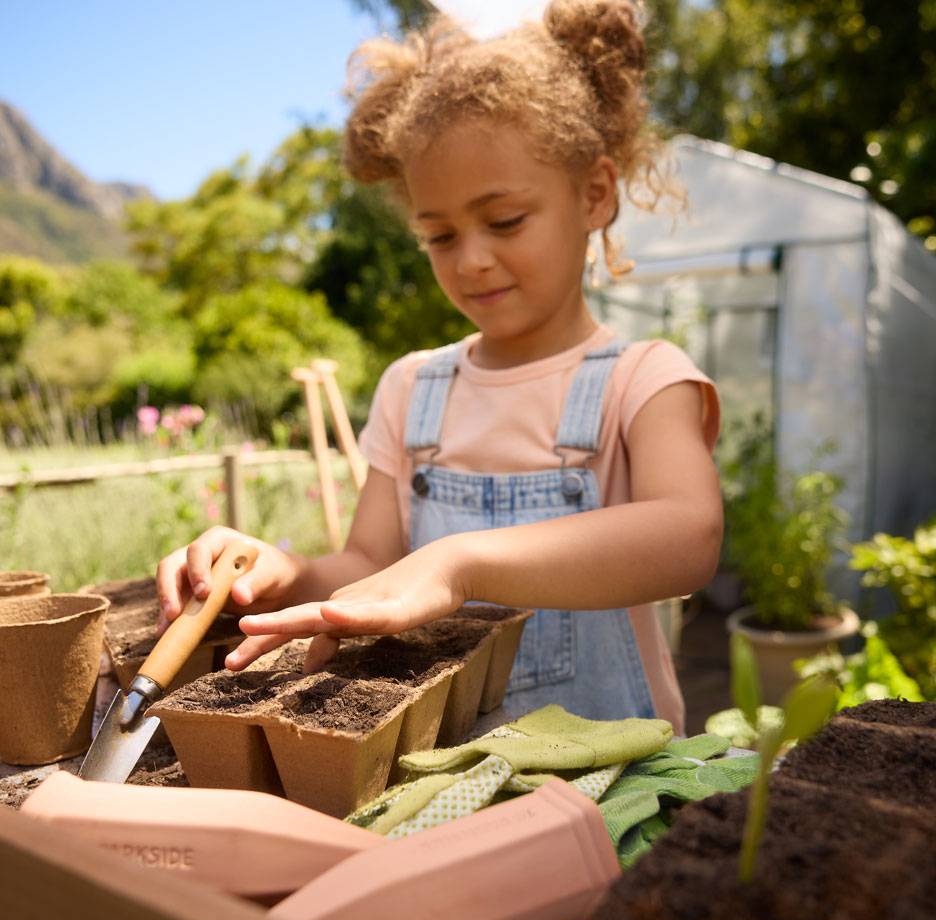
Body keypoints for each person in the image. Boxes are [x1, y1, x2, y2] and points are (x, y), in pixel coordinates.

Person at [156, 0, 722, 734]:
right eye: (440, 235)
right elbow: (369, 560)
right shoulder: (411, 389)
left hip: (609, 782)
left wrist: (457, 564)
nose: (473, 258)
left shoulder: (643, 379)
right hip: (440, 771)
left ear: (593, 194)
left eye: (505, 221)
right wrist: (277, 573)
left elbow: (688, 537)